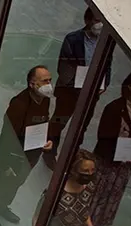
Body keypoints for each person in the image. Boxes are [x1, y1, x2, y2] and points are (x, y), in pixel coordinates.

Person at [0, 65, 55, 226]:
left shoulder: (45, 100)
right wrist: (5, 163)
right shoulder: (19, 104)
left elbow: (45, 122)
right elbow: (7, 135)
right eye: (44, 81)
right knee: (1, 183)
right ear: (32, 83)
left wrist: (47, 140)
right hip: (15, 155)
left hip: (32, 154)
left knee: (16, 183)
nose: (49, 84)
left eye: (50, 80)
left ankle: (3, 206)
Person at [46, 7, 112, 170]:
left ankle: (72, 157)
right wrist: (78, 84)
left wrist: (104, 84)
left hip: (91, 93)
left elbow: (107, 66)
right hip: (69, 92)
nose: (100, 25)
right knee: (58, 122)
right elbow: (64, 67)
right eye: (97, 21)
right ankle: (49, 153)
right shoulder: (73, 39)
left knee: (82, 126)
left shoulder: (106, 40)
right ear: (88, 21)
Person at [90, 71, 131, 226]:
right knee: (99, 192)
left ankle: (102, 223)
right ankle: (89, 222)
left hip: (126, 163)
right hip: (108, 161)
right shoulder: (114, 108)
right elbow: (103, 136)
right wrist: (119, 151)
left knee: (114, 194)